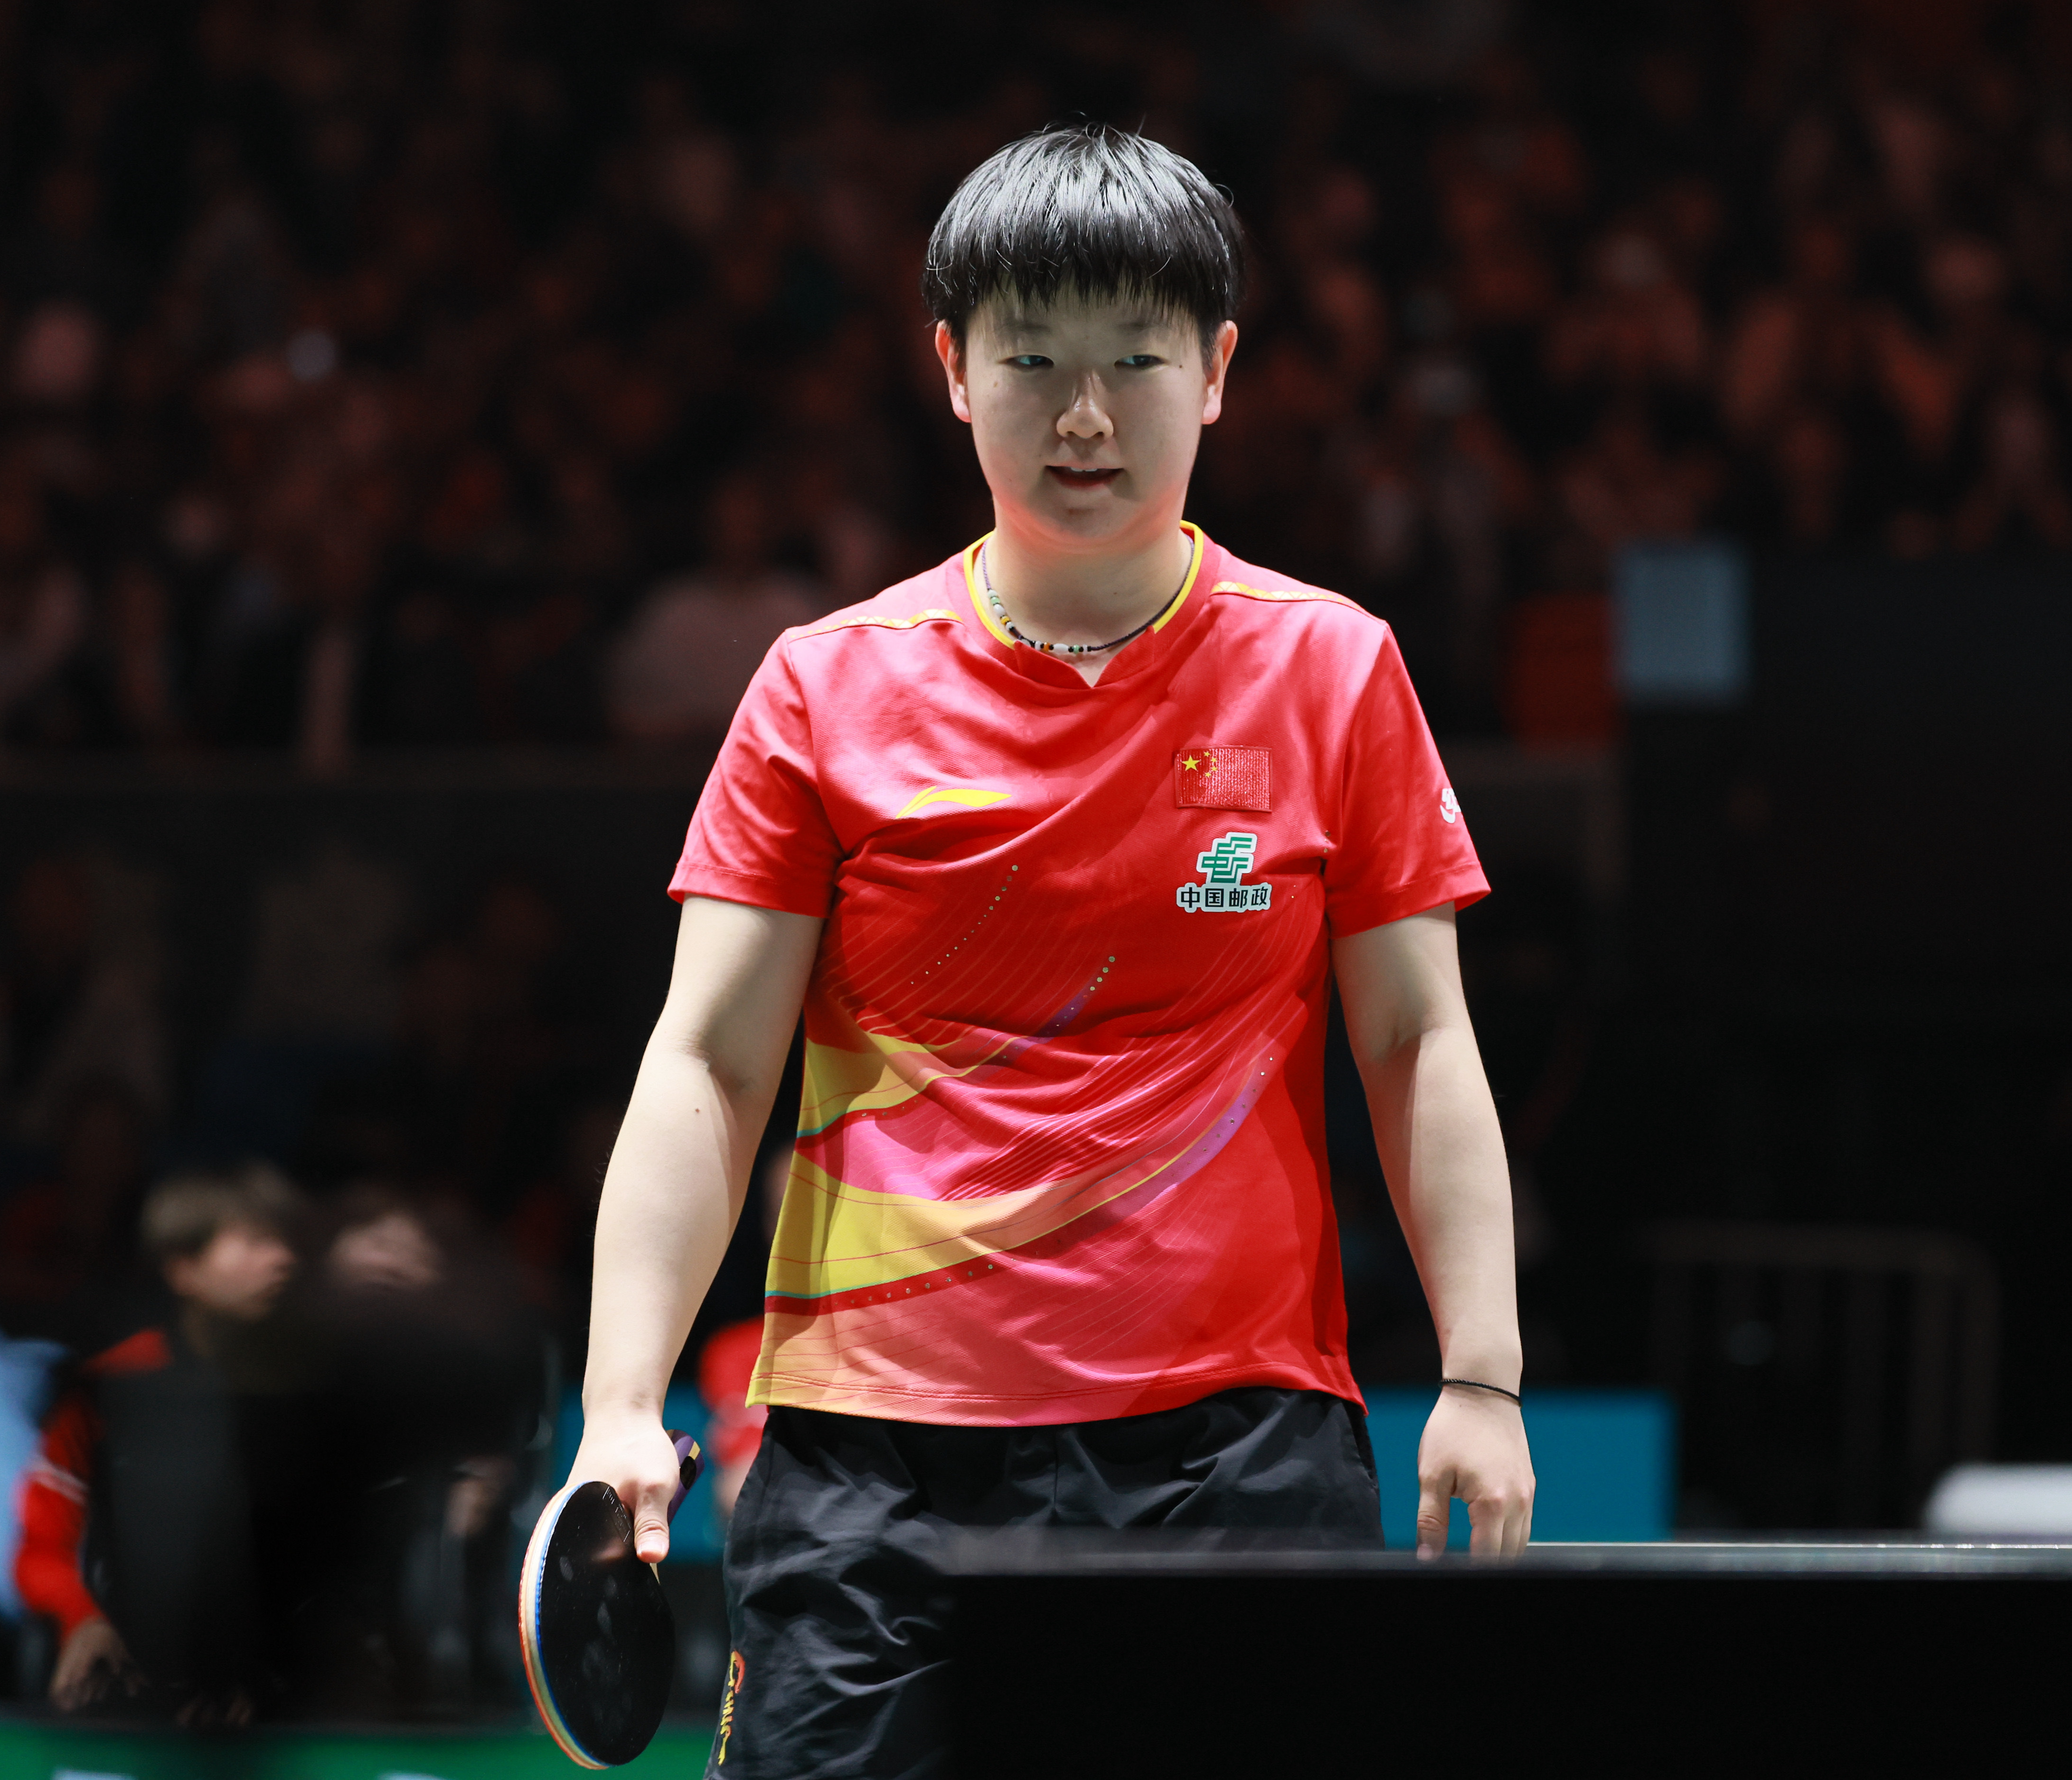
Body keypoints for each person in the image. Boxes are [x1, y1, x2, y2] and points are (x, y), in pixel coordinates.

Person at [568, 123, 1534, 1777]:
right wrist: (615, 1401)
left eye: (1133, 361)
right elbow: (711, 1062)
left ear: (1215, 371)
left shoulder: (1331, 670)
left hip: (1234, 1446)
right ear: (952, 370)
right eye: (1030, 360)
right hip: (878, 1454)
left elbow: (1415, 1040)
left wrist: (1484, 1374)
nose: (1083, 415)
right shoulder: (824, 685)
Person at [14, 1163, 300, 1719]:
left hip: (284, 1699)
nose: (282, 1259)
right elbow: (40, 1545)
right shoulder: (111, 1386)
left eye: (288, 1242)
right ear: (183, 1267)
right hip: (136, 1682)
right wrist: (83, 1619)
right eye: (254, 1242)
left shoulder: (318, 1394)